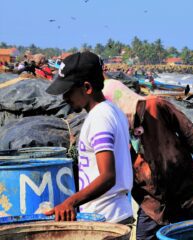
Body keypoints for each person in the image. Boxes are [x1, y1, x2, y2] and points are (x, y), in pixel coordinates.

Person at [102, 79, 193, 240]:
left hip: (183, 185)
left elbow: (188, 131)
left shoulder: (155, 105)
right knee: (144, 236)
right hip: (152, 197)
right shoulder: (116, 126)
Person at [44, 52, 134, 225]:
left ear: (87, 88)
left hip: (107, 218)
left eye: (68, 91)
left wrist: (70, 202)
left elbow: (108, 176)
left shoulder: (100, 117)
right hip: (114, 214)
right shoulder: (112, 110)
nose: (64, 98)